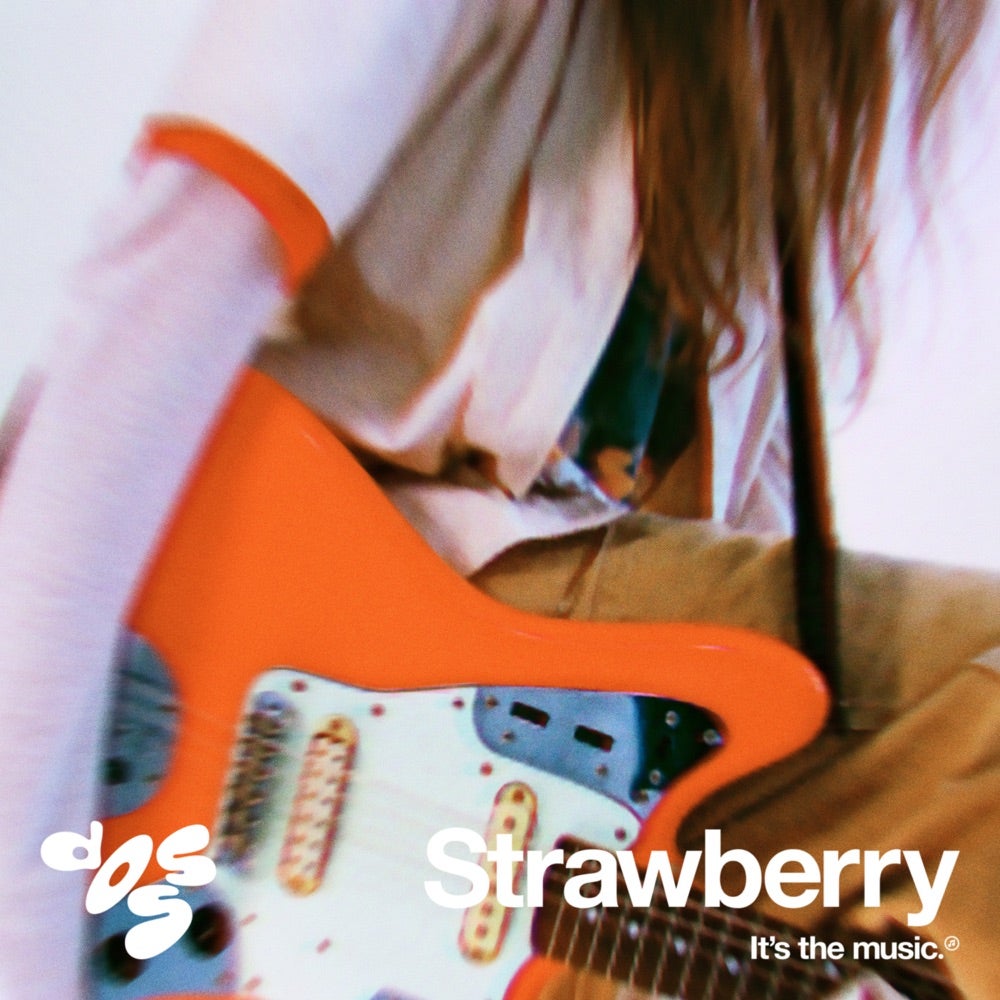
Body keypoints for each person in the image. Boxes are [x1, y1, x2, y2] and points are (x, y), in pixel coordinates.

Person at [0, 2, 996, 998]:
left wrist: (803, 933)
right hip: (341, 617)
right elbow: (121, 363)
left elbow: (743, 509)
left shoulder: (768, 67)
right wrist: (21, 922)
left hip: (530, 797)